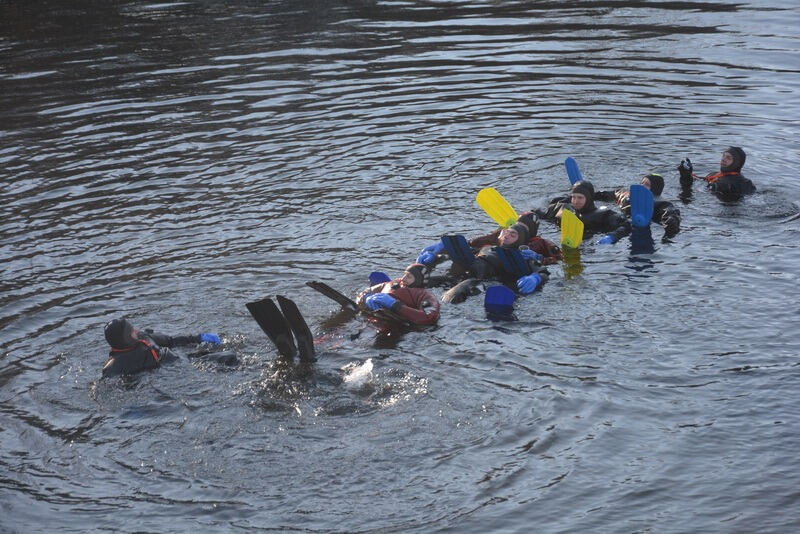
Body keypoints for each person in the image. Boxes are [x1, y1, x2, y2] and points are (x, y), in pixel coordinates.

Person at [102, 317, 221, 378]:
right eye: (132, 331)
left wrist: (198, 338)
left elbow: (171, 341)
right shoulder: (114, 366)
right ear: (126, 338)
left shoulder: (145, 337)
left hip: (186, 361)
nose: (137, 330)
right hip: (172, 377)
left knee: (228, 356)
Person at [535, 180, 631, 244]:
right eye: (573, 197)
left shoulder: (603, 214)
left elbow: (626, 225)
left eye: (580, 198)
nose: (576, 201)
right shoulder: (565, 210)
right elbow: (542, 214)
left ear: (589, 198)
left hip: (591, 244)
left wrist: (612, 237)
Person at [594, 173, 681, 236]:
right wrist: (589, 194)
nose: (642, 186)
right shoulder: (625, 194)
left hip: (643, 227)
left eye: (646, 184)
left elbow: (670, 213)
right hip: (623, 221)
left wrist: (671, 222)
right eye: (641, 183)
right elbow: (608, 195)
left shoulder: (661, 203)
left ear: (654, 189)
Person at [356, 263, 441, 326]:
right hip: (373, 314)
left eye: (409, 276)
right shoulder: (395, 282)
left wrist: (396, 305)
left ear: (418, 280)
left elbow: (429, 317)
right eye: (404, 274)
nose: (403, 278)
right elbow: (367, 291)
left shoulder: (424, 295)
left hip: (394, 321)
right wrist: (365, 297)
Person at [678, 146, 755, 201]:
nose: (723, 159)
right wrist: (687, 174)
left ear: (737, 163)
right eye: (723, 155)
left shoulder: (730, 184)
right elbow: (701, 181)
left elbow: (695, 193)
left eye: (728, 158)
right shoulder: (714, 175)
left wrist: (686, 181)